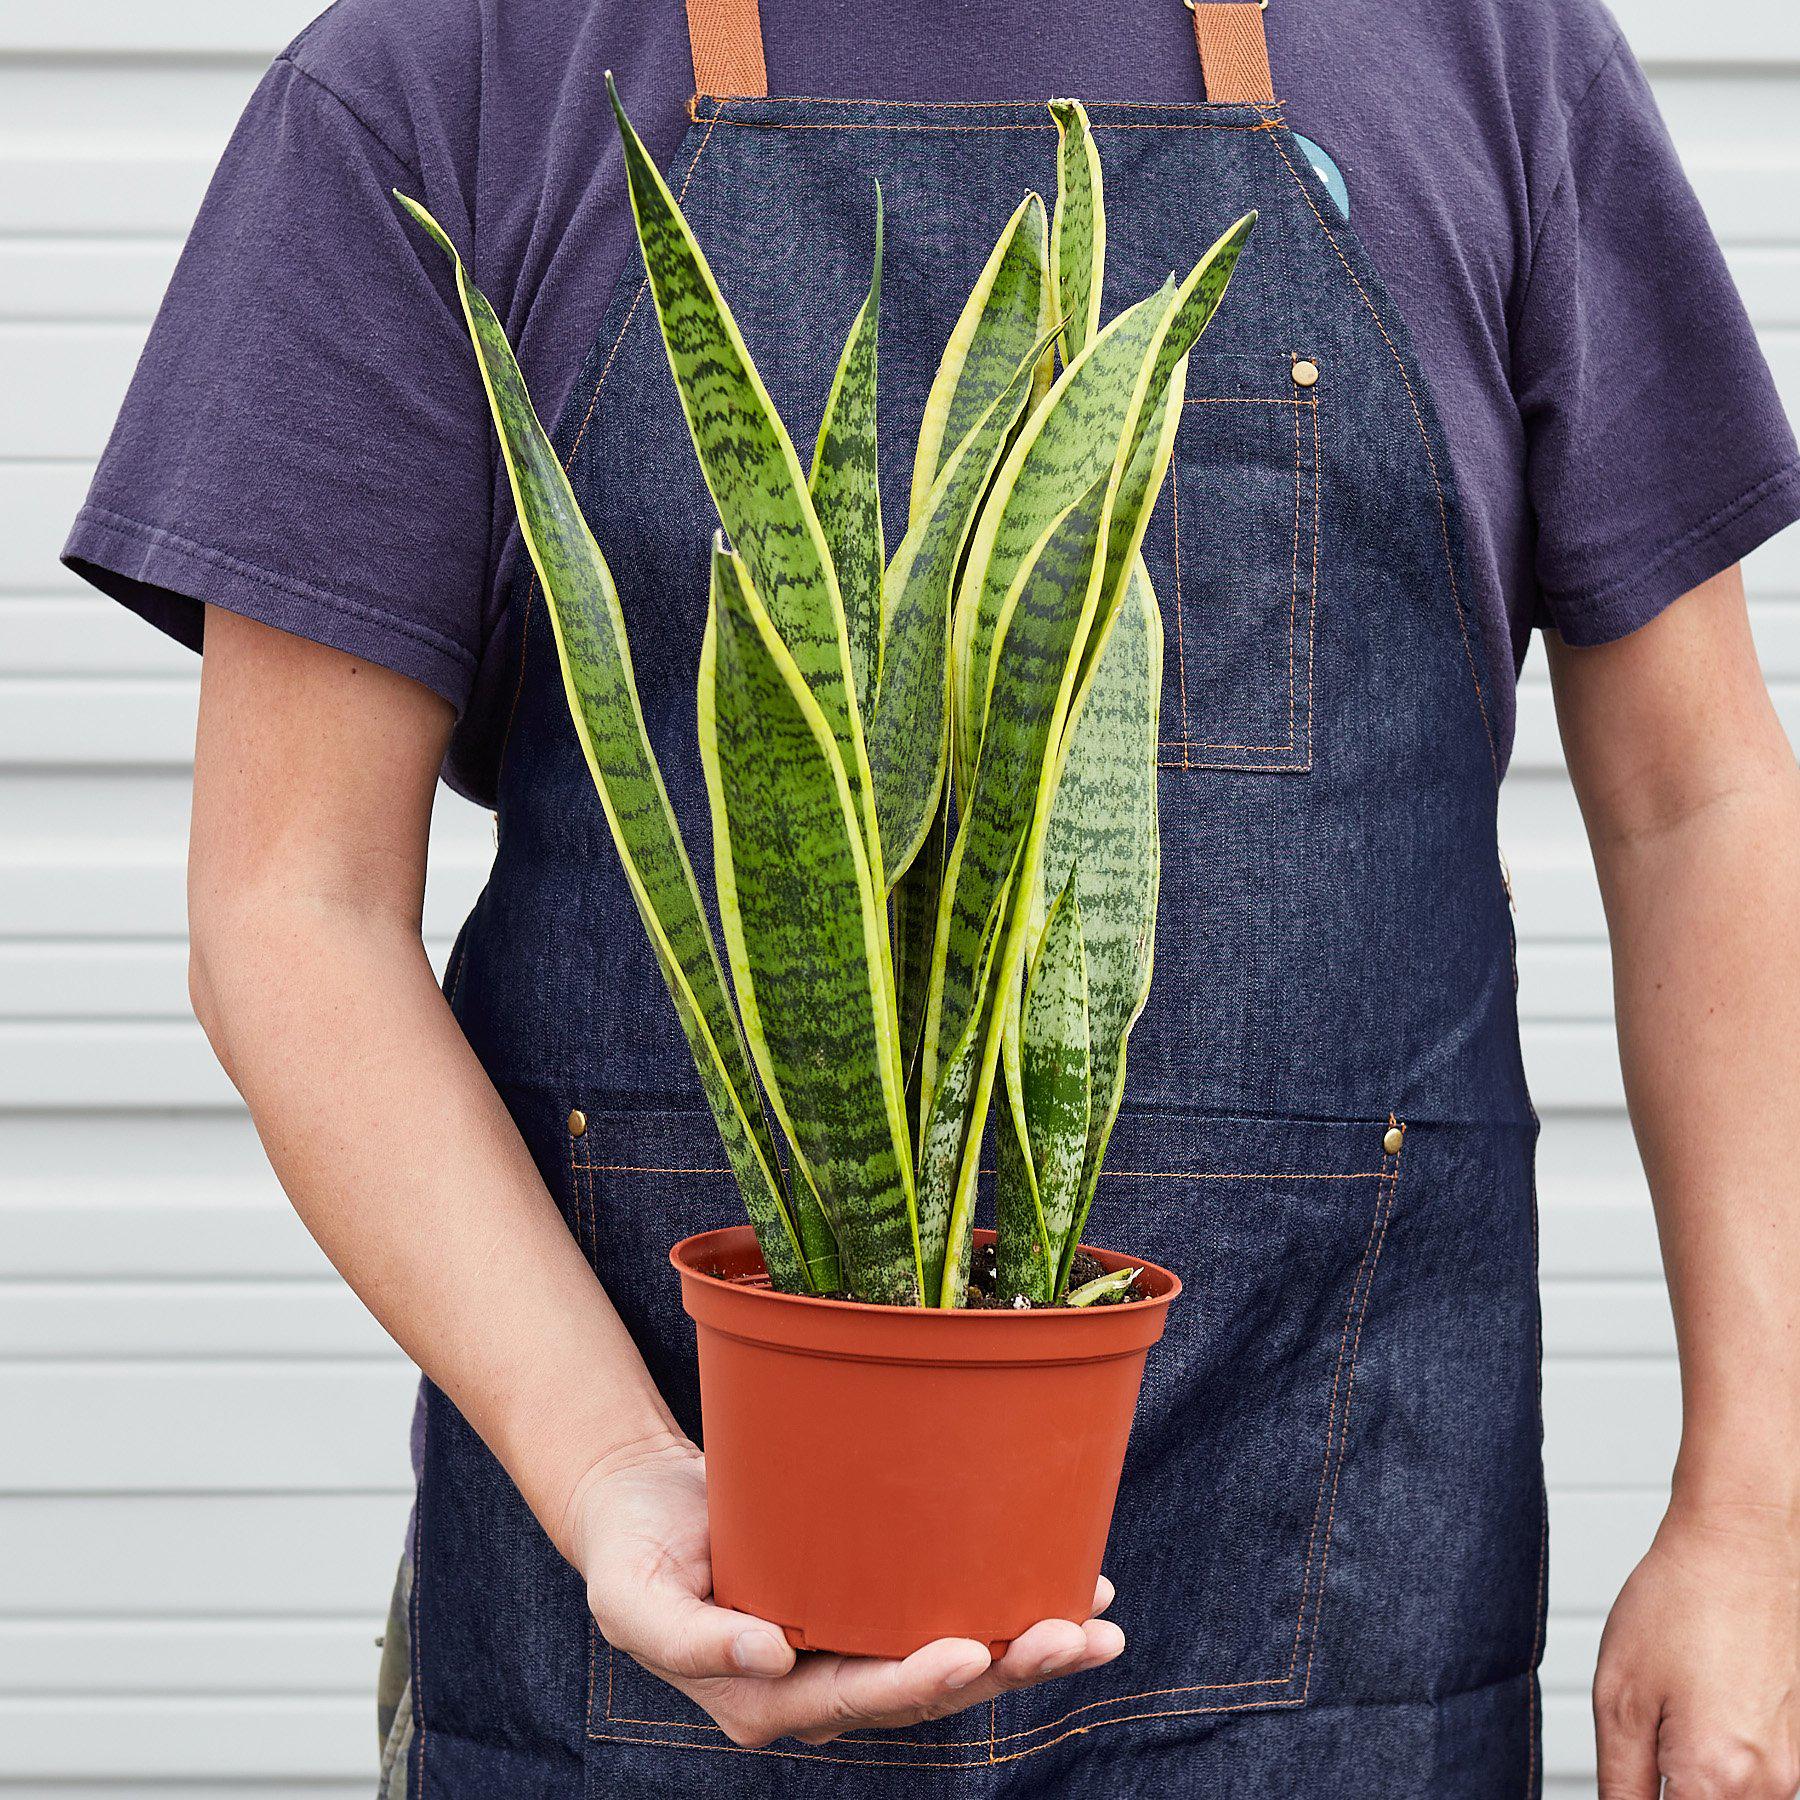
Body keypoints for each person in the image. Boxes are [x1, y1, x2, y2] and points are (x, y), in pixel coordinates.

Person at [65, 0, 1800, 1793]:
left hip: (1336, 1636)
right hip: (656, 1640)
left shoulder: (1479, 50)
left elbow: (1701, 802)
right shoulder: (453, 73)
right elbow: (292, 904)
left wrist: (1757, 1509)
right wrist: (609, 1474)